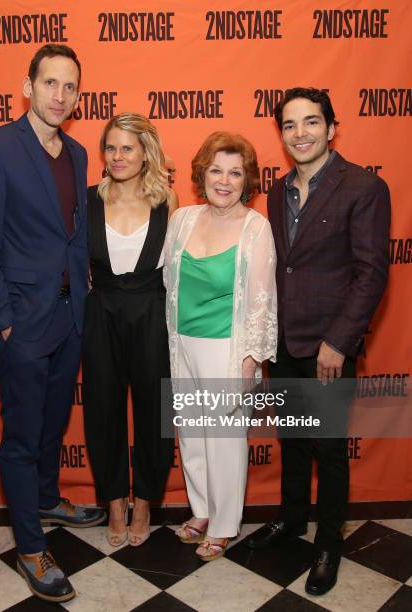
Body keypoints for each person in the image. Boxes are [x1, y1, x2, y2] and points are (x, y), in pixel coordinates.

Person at [0, 44, 106, 603]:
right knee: (21, 436)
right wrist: (2, 324)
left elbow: (69, 237)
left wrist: (82, 304)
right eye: (50, 83)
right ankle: (29, 545)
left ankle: (47, 496)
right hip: (19, 323)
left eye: (70, 87)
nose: (60, 96)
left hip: (70, 317)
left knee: (52, 422)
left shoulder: (75, 152)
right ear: (28, 86)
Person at [246, 88, 391, 595]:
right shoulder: (277, 190)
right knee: (292, 439)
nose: (300, 133)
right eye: (289, 125)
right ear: (281, 134)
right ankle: (291, 520)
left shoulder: (363, 187)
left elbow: (371, 274)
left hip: (329, 347)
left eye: (311, 122)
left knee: (328, 448)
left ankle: (329, 542)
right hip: (284, 343)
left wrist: (339, 340)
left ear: (332, 128)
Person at [164, 132, 277, 561]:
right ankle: (202, 510)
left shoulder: (256, 227)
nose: (224, 181)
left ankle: (226, 523)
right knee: (191, 434)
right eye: (216, 170)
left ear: (247, 179)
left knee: (225, 438)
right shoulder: (183, 220)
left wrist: (250, 361)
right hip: (182, 345)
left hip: (227, 349)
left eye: (235, 172)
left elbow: (263, 301)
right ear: (202, 174)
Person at [82, 113, 178, 547]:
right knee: (102, 410)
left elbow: (177, 268)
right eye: (111, 147)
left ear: (146, 153)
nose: (118, 156)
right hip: (100, 312)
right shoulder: (87, 199)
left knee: (153, 412)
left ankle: (144, 504)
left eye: (127, 148)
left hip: (151, 312)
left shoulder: (167, 200)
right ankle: (115, 504)